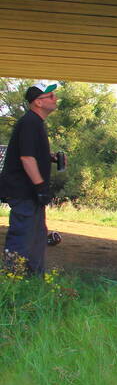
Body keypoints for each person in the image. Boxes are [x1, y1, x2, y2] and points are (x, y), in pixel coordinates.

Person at [0, 81, 60, 274]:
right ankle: (12, 278)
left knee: (37, 236)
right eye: (50, 96)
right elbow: (26, 158)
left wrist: (49, 157)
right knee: (22, 236)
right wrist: (41, 187)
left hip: (30, 193)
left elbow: (30, 153)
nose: (55, 98)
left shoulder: (35, 123)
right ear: (38, 103)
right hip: (24, 191)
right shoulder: (29, 123)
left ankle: (33, 280)